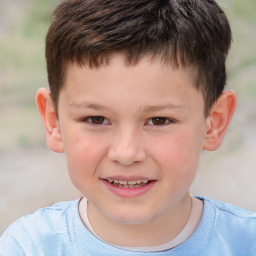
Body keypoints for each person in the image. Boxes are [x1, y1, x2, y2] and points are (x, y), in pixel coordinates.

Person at [0, 0, 255, 255]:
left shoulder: (246, 244)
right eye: (96, 119)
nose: (126, 153)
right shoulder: (28, 247)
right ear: (54, 122)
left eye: (159, 120)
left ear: (214, 123)